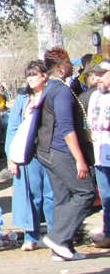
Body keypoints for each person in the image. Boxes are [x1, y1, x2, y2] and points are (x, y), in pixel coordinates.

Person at [38, 47, 96, 262]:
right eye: (68, 62)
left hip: (48, 151)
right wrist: (80, 159)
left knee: (62, 198)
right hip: (61, 151)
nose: (72, 65)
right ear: (60, 68)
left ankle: (62, 248)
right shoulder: (60, 90)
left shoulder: (50, 87)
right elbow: (66, 127)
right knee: (86, 191)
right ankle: (58, 237)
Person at [6, 61, 54, 251]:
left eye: (35, 74)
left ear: (44, 76)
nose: (31, 78)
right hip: (28, 156)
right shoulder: (22, 99)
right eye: (29, 75)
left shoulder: (52, 95)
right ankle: (31, 236)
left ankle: (54, 236)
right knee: (32, 196)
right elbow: (13, 129)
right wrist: (11, 157)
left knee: (51, 196)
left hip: (50, 154)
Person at [85, 59, 110, 249]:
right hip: (100, 156)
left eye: (102, 74)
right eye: (96, 74)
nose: (97, 78)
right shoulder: (94, 96)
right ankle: (108, 233)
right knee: (107, 198)